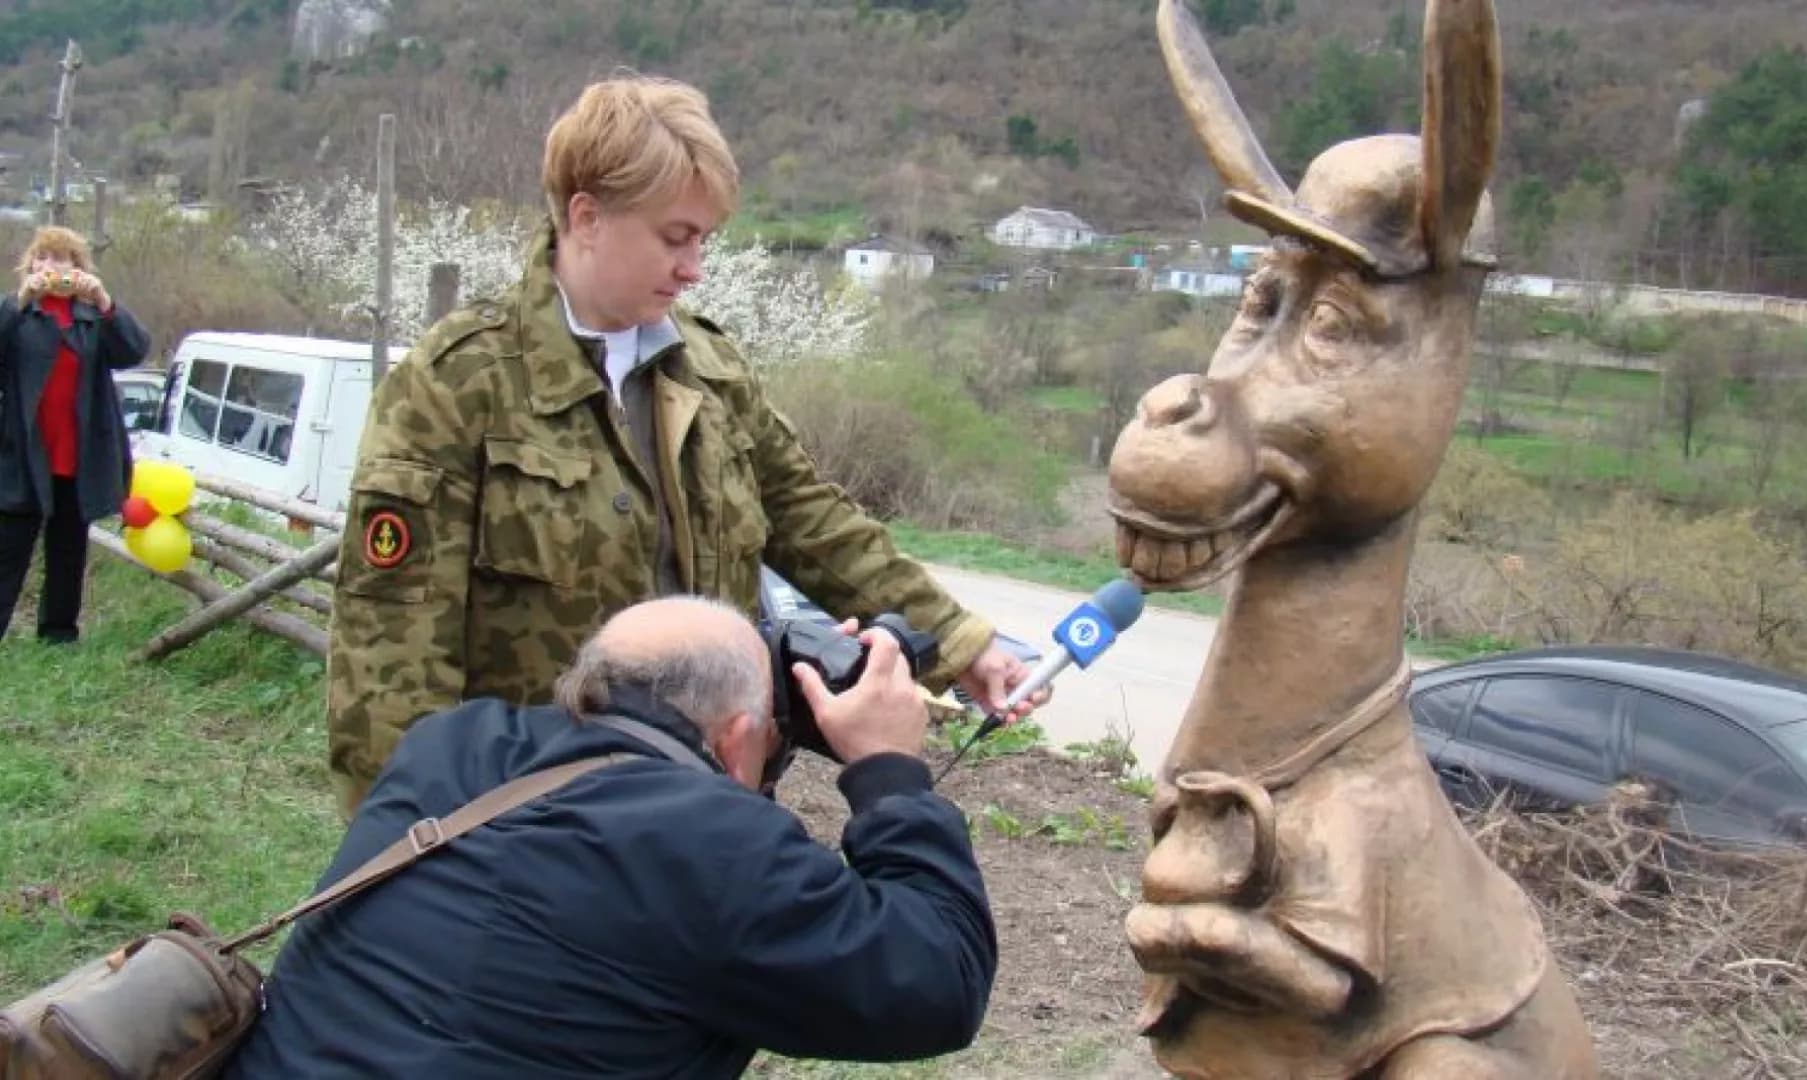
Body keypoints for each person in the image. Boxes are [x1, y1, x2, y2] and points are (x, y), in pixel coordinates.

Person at [326, 73, 1037, 812]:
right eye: (675, 237)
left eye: (704, 239)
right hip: (532, 824)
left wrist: (959, 641)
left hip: (710, 807)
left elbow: (815, 524)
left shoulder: (712, 371)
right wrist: (408, 849)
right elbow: (391, 659)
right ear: (588, 215)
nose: (694, 267)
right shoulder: (458, 386)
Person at [225, 596, 996, 1078]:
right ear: (738, 739)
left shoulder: (448, 747)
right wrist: (888, 770)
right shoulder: (723, 850)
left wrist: (761, 735)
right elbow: (940, 983)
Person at [0, 226, 151, 643]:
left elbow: (135, 351)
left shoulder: (92, 319)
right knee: (9, 548)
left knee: (68, 548)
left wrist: (106, 303)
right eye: (42, 258)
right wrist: (18, 303)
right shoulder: (17, 312)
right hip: (25, 453)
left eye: (61, 259)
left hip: (77, 454)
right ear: (30, 265)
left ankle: (58, 633)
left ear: (79, 269)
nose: (50, 267)